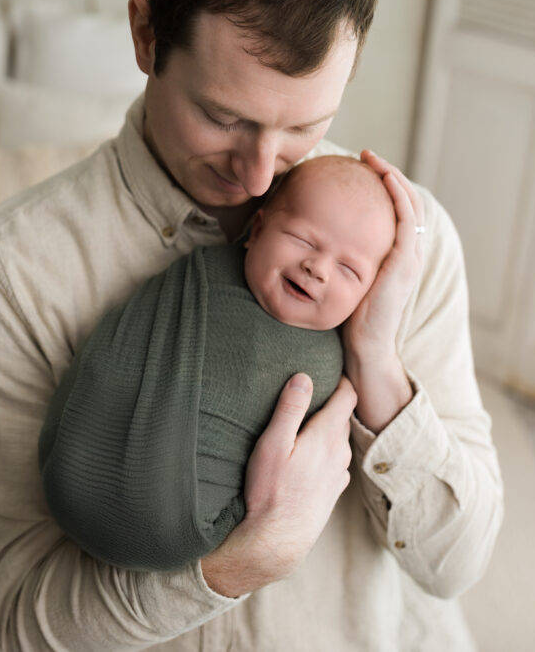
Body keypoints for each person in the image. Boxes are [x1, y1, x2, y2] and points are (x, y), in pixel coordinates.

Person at [0, 0, 503, 651]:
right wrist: (240, 561)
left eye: (305, 125)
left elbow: (457, 563)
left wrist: (377, 359)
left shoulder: (409, 242)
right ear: (145, 36)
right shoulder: (17, 270)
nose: (261, 169)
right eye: (223, 116)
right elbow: (24, 615)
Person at [38, 156, 396, 572]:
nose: (317, 268)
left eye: (349, 270)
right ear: (256, 230)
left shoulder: (333, 363)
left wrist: (376, 355)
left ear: (371, 292)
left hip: (180, 526)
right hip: (72, 474)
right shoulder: (198, 279)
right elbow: (117, 354)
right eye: (303, 239)